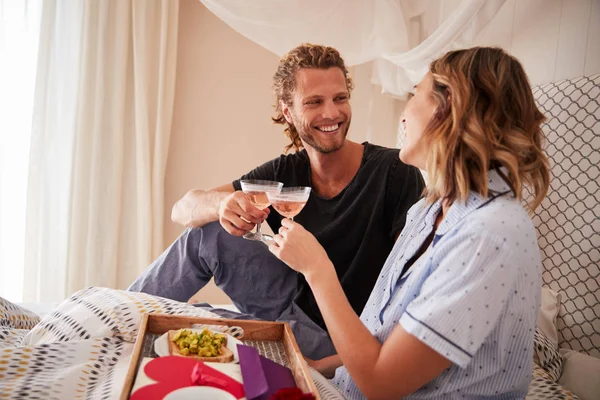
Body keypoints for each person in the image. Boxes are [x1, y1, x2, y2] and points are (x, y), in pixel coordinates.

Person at [269, 46, 550, 399]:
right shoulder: (429, 210)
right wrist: (312, 365)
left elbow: (381, 384)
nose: (404, 115)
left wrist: (317, 269)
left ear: (450, 112)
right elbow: (389, 338)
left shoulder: (489, 235)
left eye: (415, 94)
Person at [128, 43, 425, 359]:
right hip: (292, 302)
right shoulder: (286, 171)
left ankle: (151, 323)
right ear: (288, 111)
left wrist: (340, 364)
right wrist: (221, 205)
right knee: (208, 233)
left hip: (342, 335)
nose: (332, 113)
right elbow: (183, 208)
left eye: (340, 98)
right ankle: (123, 315)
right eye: (314, 102)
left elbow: (411, 290)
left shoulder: (395, 172)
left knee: (201, 322)